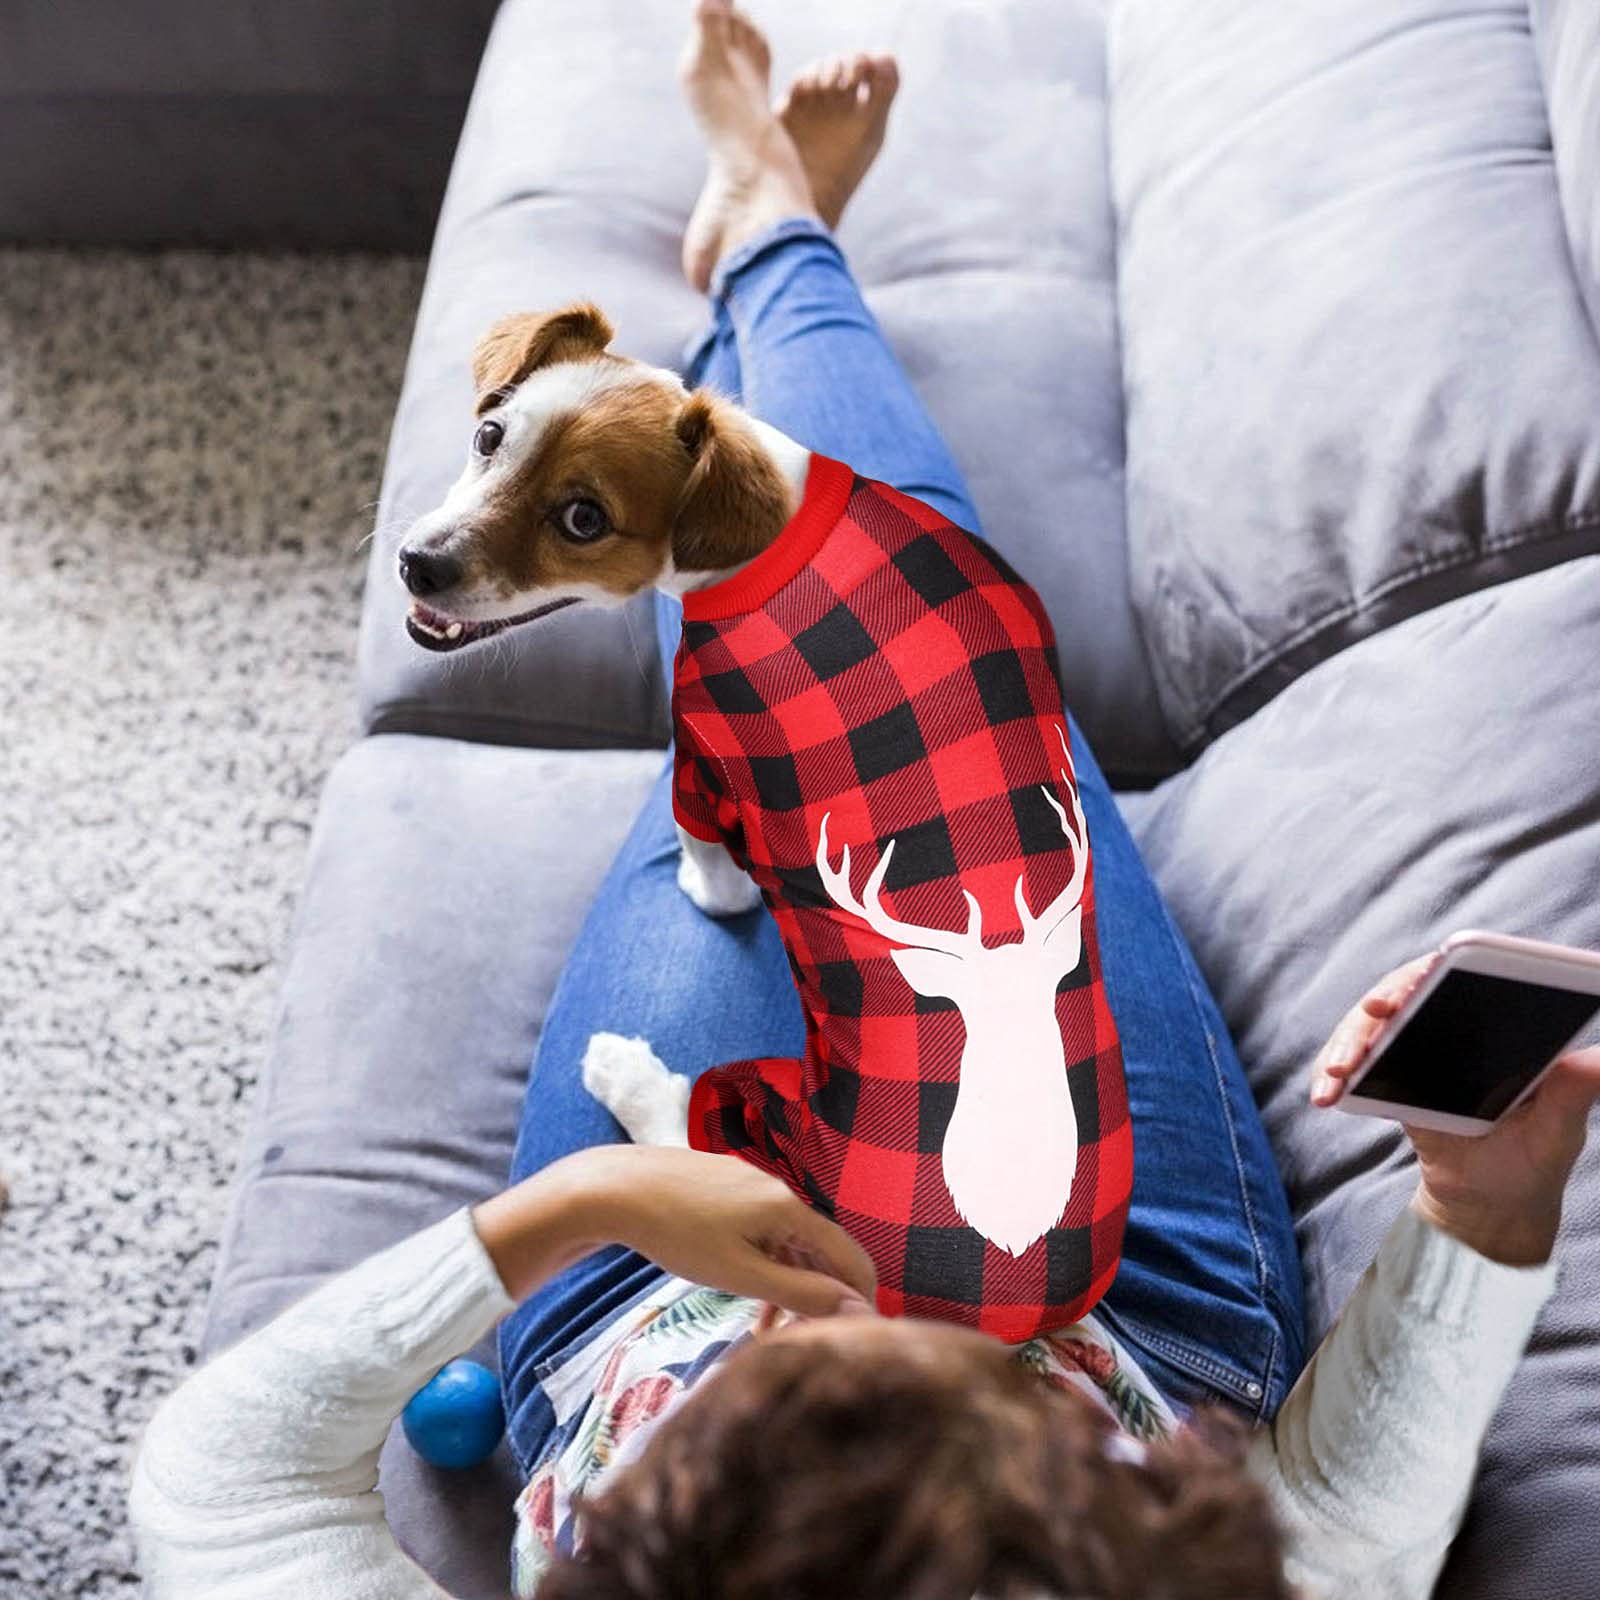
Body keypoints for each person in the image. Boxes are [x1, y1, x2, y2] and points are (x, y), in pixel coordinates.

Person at [129, 6, 1600, 1597]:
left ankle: (748, 265)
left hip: (646, 1284)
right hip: (1125, 1303)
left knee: (782, 633)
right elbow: (1350, 1543)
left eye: (775, 1372)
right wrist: (1481, 1214)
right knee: (915, 628)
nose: (851, 1289)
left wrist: (601, 1202)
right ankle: (770, 240)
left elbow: (227, 1481)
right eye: (910, 1357)